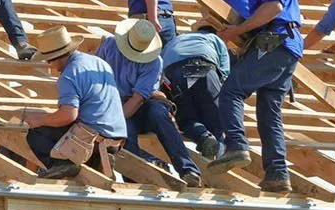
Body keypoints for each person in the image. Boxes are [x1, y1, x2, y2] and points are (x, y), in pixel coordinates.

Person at [200, 0, 305, 192]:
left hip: (275, 42)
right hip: (288, 45)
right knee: (269, 113)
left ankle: (236, 145)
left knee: (231, 92)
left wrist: (236, 31)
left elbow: (274, 7)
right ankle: (277, 174)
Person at [22, 26, 127, 182]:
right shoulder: (98, 62)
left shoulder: (70, 74)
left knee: (37, 133)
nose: (50, 65)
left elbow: (69, 115)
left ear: (57, 56)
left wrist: (39, 121)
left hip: (91, 139)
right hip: (116, 139)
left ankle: (61, 164)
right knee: (56, 125)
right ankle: (92, 159)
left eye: (49, 60)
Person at [102, 18, 199, 188]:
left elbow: (138, 99)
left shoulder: (154, 62)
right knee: (125, 135)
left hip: (137, 105)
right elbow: (96, 77)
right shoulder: (109, 46)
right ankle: (151, 164)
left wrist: (115, 120)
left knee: (158, 114)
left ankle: (188, 169)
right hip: (112, 103)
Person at [159, 21, 230, 161]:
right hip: (202, 68)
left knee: (186, 119)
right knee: (218, 123)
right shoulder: (215, 40)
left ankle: (203, 136)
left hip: (175, 74)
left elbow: (160, 72)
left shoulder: (175, 41)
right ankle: (219, 160)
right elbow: (225, 76)